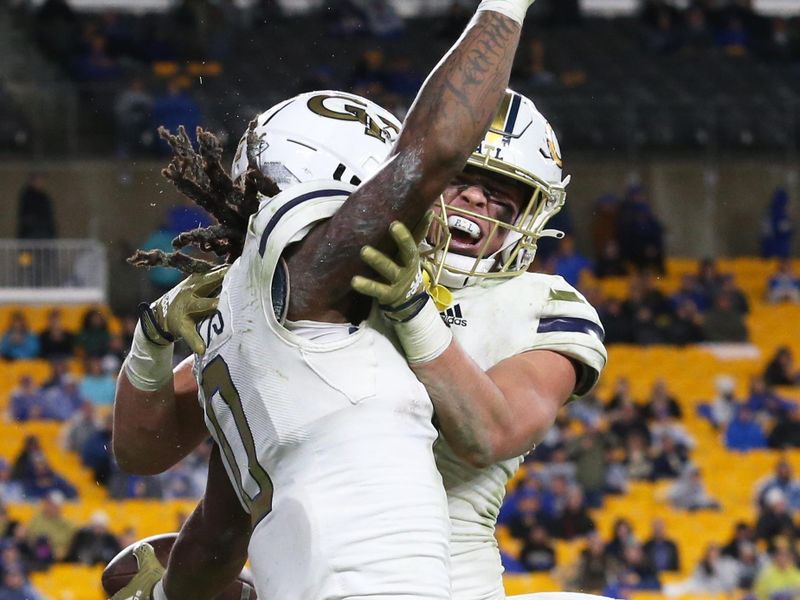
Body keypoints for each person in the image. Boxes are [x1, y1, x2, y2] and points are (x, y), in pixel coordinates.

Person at [114, 22, 610, 600]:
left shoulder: (539, 303)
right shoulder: (327, 285)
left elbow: (490, 432)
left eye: (503, 195)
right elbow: (214, 505)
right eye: (462, 181)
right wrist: (152, 340)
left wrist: (411, 308)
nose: (478, 201)